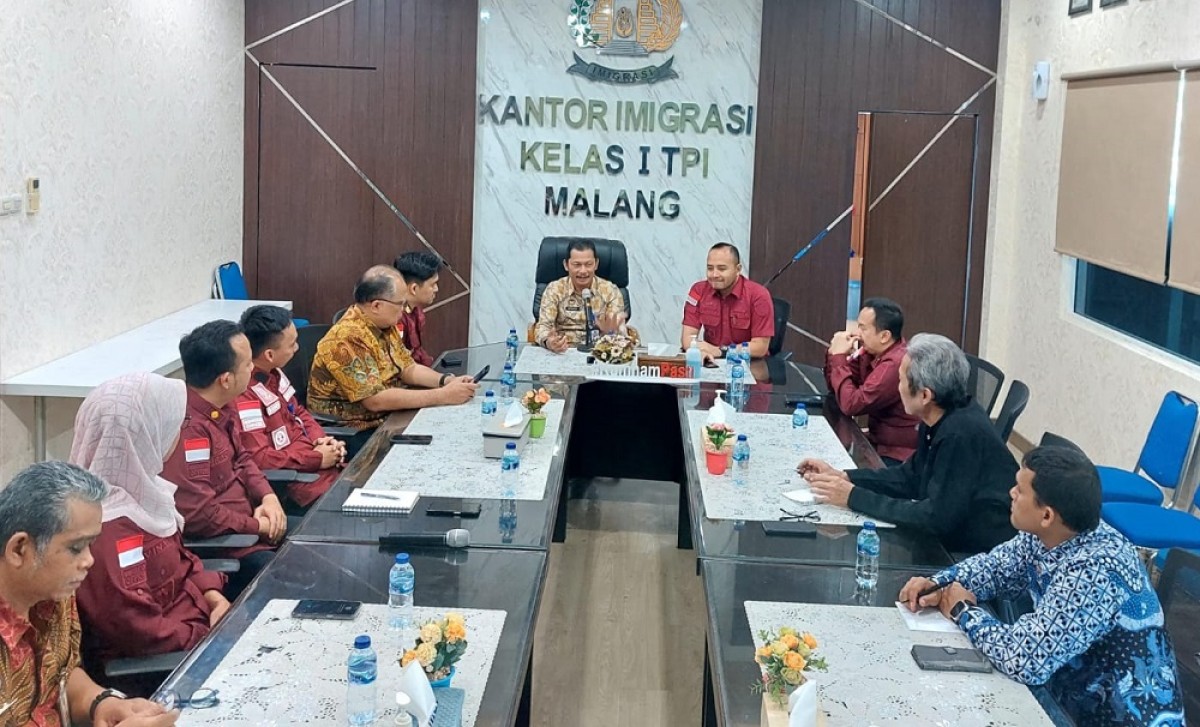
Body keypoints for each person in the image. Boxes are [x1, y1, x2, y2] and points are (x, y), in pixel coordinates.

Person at [900, 447, 1185, 726]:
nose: (1011, 493)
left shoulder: (1094, 571)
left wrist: (963, 609)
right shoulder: (1054, 532)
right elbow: (996, 568)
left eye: (1020, 490)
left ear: (1047, 514)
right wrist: (939, 583)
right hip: (1070, 692)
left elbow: (1026, 659)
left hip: (1114, 715)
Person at [71, 373, 230, 682]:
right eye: (169, 425)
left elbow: (183, 560)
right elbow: (137, 630)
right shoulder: (103, 528)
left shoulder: (147, 492)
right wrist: (209, 633)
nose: (176, 435)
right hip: (164, 670)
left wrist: (212, 593)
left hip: (198, 629)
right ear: (143, 434)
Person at [800, 333, 1016, 555]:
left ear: (924, 395)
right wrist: (845, 477)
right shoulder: (938, 415)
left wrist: (853, 496)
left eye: (901, 380)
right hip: (955, 533)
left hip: (976, 552)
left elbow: (934, 517)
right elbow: (910, 477)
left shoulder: (960, 435)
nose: (898, 387)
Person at [0, 461, 179, 726]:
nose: (89, 561)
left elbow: (60, 675)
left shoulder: (55, 593)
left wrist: (103, 704)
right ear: (19, 550)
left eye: (90, 545)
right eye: (76, 548)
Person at [161, 320, 287, 592]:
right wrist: (257, 526)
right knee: (295, 581)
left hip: (253, 524)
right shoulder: (189, 430)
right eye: (246, 365)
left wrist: (269, 496)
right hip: (228, 548)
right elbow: (200, 515)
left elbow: (242, 458)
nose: (253, 368)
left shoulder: (222, 405)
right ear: (226, 379)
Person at [308, 265, 477, 431]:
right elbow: (375, 400)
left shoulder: (383, 324)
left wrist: (447, 381)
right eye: (400, 304)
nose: (403, 311)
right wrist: (443, 395)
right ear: (376, 306)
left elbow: (408, 368)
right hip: (357, 428)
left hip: (388, 416)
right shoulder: (346, 337)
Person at [237, 305, 345, 510]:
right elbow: (260, 458)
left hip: (326, 470)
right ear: (269, 354)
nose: (297, 349)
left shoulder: (274, 374)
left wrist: (322, 441)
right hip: (301, 486)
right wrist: (316, 458)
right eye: (292, 344)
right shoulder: (245, 393)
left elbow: (298, 412)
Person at [824, 298, 919, 464]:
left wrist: (839, 357)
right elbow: (838, 388)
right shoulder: (870, 352)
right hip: (876, 441)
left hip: (898, 453)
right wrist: (834, 354)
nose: (857, 333)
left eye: (863, 328)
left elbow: (851, 405)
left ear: (884, 336)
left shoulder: (895, 364)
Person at [681, 242, 775, 360]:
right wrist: (702, 350)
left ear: (738, 269)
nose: (714, 274)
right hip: (712, 361)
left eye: (722, 269)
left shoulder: (759, 295)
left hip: (750, 365)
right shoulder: (698, 291)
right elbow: (687, 339)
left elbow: (760, 347)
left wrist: (722, 352)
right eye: (710, 268)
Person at [534, 239, 627, 352]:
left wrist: (610, 332)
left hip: (599, 352)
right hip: (563, 352)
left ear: (596, 264)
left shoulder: (610, 291)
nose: (583, 271)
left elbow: (619, 331)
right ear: (566, 265)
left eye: (588, 264)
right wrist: (549, 342)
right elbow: (543, 326)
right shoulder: (554, 289)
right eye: (577, 265)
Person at [393, 250, 442, 367]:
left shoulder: (415, 311)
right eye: (432, 284)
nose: (436, 289)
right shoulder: (395, 319)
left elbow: (417, 352)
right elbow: (398, 365)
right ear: (414, 289)